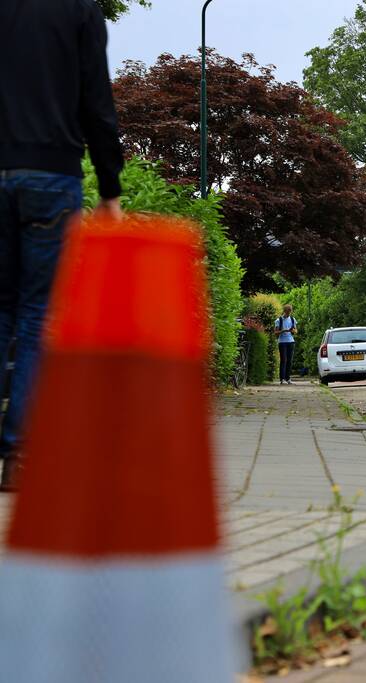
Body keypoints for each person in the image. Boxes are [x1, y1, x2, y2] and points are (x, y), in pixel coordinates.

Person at [0, 0, 124, 492]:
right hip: (51, 175)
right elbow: (97, 102)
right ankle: (19, 455)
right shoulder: (79, 11)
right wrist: (110, 188)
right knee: (37, 315)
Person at [274, 305, 298, 384]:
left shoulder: (292, 319)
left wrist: (293, 331)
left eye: (290, 312)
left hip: (291, 341)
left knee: (289, 361)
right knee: (284, 360)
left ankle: (288, 378)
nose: (288, 313)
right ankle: (282, 379)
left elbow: (295, 330)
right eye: (287, 312)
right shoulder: (279, 320)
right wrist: (283, 331)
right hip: (282, 342)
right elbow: (275, 332)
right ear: (284, 311)